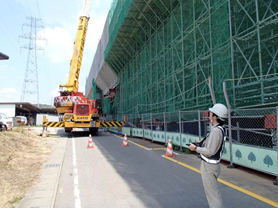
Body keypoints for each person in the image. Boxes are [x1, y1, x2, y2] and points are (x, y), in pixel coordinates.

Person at [189, 103, 228, 208]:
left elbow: (210, 151)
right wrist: (201, 143)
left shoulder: (216, 131)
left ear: (215, 116)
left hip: (209, 167)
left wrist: (196, 148)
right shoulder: (220, 128)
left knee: (213, 195)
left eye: (211, 113)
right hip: (212, 166)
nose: (209, 114)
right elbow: (213, 145)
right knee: (212, 193)